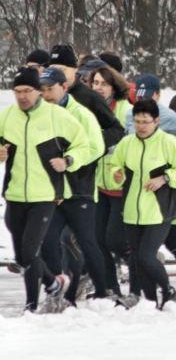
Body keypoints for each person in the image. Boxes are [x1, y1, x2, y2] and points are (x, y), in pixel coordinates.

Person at [0, 67, 90, 313]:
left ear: (39, 92)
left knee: (29, 252)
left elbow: (85, 145)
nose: (21, 96)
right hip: (15, 195)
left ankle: (30, 307)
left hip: (45, 196)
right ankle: (53, 283)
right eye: (17, 91)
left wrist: (68, 161)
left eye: (27, 91)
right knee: (21, 257)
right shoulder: (7, 116)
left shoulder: (56, 116)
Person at [109, 99, 176, 310]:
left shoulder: (168, 142)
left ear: (157, 121)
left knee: (146, 256)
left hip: (160, 210)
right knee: (138, 259)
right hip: (131, 211)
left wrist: (164, 178)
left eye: (146, 121)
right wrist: (116, 175)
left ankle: (168, 290)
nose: (141, 126)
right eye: (137, 121)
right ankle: (150, 302)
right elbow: (115, 166)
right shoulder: (127, 143)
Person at [38, 68, 109, 311]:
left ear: (64, 88)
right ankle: (59, 290)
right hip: (52, 192)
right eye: (43, 90)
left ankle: (102, 292)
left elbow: (96, 148)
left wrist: (69, 161)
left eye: (50, 89)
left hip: (80, 190)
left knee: (87, 243)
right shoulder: (41, 114)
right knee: (48, 241)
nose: (46, 94)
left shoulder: (81, 114)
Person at [88, 65, 132, 297]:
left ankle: (141, 265)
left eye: (104, 83)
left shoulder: (126, 110)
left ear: (114, 86)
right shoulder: (90, 109)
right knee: (98, 241)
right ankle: (109, 289)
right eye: (95, 83)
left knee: (115, 240)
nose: (98, 88)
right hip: (98, 185)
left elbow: (135, 145)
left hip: (120, 186)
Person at [49, 44, 125, 153]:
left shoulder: (90, 97)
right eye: (52, 70)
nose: (56, 75)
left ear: (75, 69)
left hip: (82, 166)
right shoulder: (43, 96)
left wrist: (90, 143)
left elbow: (116, 130)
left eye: (62, 70)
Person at [126, 74, 176, 141]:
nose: (144, 102)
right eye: (140, 98)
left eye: (147, 97)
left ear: (158, 94)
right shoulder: (130, 114)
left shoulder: (171, 119)